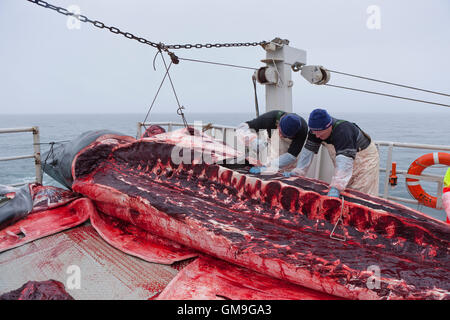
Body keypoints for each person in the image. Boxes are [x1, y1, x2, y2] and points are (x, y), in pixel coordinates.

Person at [286, 108, 380, 197]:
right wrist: (298, 171)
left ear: (329, 126)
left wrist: (336, 187)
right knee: (347, 193)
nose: (317, 136)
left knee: (361, 195)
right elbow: (308, 152)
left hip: (365, 160)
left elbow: (344, 161)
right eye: (314, 132)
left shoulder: (343, 131)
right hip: (346, 160)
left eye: (320, 132)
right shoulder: (314, 131)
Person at [235, 110, 308, 174]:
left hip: (290, 161)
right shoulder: (270, 118)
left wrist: (269, 165)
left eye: (286, 136)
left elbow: (291, 156)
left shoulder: (303, 129)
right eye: (280, 132)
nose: (281, 136)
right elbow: (242, 127)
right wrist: (252, 140)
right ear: (278, 124)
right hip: (274, 152)